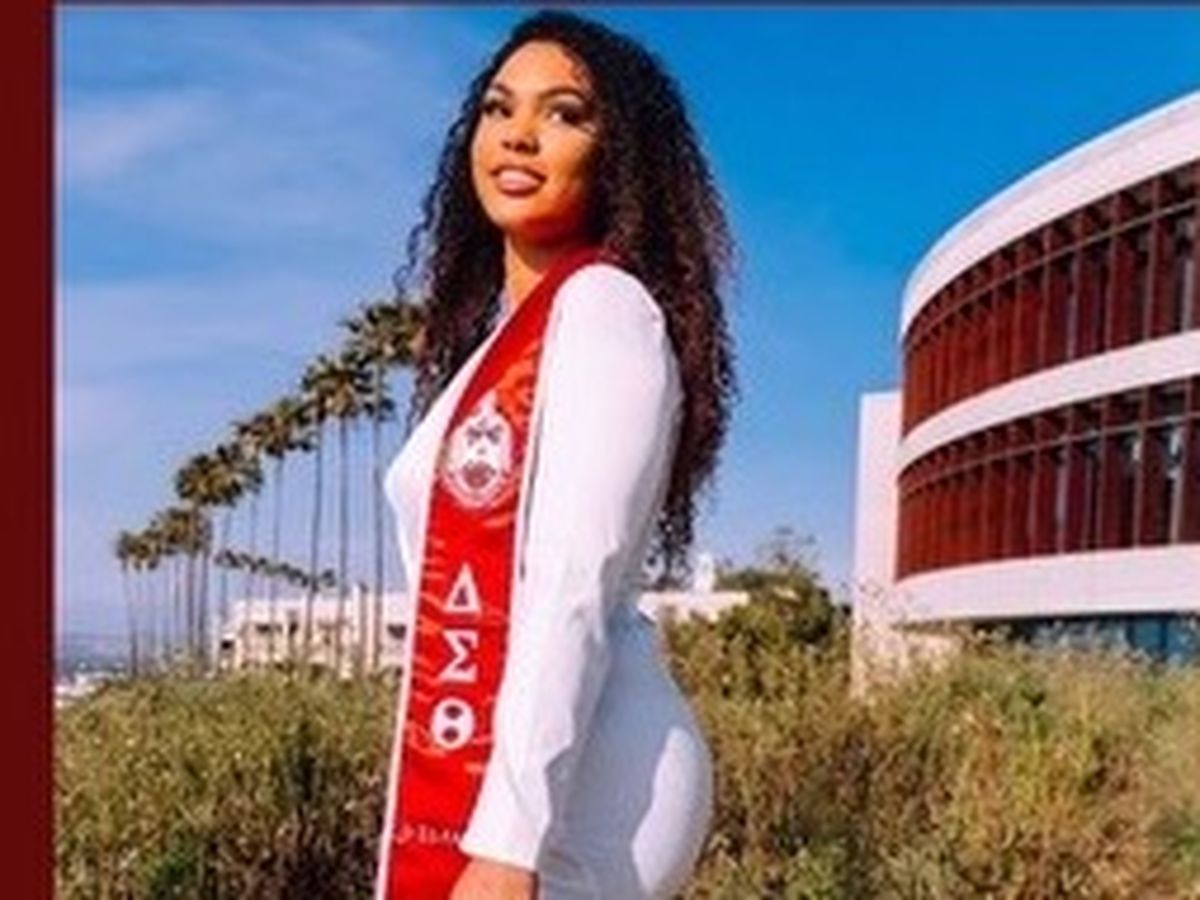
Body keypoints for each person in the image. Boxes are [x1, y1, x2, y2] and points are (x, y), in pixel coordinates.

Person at [374, 10, 736, 899]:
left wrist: (509, 845)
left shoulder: (606, 309)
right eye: (499, 109)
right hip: (523, 771)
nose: (520, 134)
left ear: (617, 158)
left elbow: (575, 577)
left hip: (588, 786)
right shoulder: (500, 350)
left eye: (565, 114)